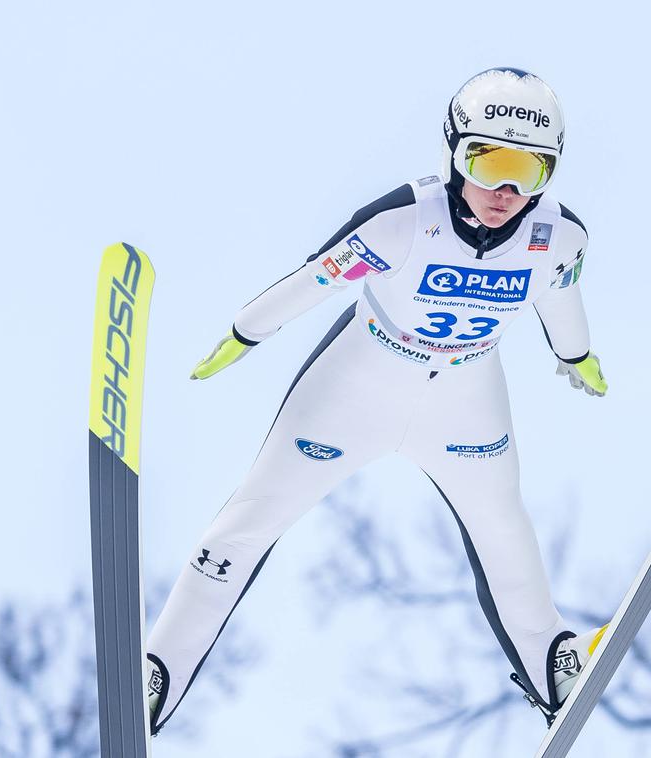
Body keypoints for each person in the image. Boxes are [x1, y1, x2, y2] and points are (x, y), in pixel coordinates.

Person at [144, 67, 610, 735]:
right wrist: (246, 330)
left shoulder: (559, 237)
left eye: (528, 172)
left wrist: (574, 354)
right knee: (246, 521)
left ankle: (553, 664)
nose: (504, 190)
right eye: (486, 162)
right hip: (354, 390)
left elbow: (562, 294)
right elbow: (316, 278)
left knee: (505, 531)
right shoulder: (402, 223)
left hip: (466, 402)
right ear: (453, 154)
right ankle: (156, 670)